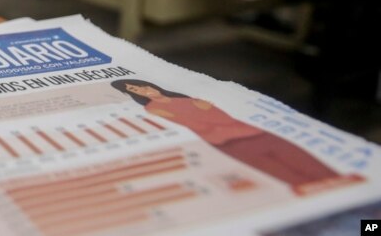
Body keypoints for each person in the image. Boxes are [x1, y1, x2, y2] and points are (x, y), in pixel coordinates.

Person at [111, 79, 361, 195]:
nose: (142, 89)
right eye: (134, 89)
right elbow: (201, 125)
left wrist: (212, 121)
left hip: (253, 132)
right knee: (282, 172)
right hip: (230, 143)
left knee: (302, 160)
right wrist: (213, 123)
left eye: (140, 84)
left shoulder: (187, 98)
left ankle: (342, 188)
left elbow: (216, 119)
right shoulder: (154, 109)